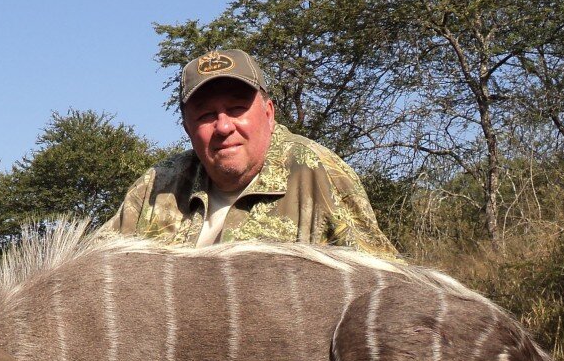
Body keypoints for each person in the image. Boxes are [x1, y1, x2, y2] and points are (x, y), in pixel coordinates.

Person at [102, 49, 398, 259]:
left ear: (269, 114)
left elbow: (383, 287)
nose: (223, 126)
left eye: (236, 109)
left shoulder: (316, 171)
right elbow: (96, 270)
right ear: (187, 128)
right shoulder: (156, 186)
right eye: (205, 115)